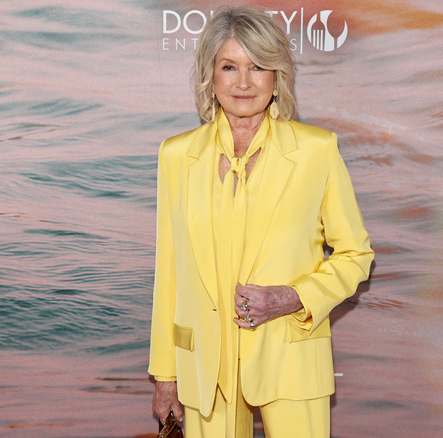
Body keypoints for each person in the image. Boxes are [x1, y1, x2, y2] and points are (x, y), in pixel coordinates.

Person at [148, 7, 373, 437]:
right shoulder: (176, 156)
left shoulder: (316, 151)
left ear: (277, 75)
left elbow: (355, 254)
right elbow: (169, 275)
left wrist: (293, 297)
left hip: (290, 354)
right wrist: (165, 375)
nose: (244, 83)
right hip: (205, 369)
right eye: (229, 66)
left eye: (257, 66)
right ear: (210, 74)